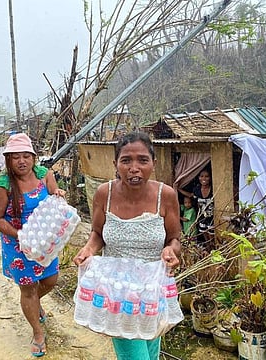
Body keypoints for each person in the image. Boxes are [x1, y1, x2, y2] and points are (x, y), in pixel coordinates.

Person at [73, 132, 181, 360]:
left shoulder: (166, 196)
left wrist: (170, 250)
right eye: (126, 160)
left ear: (153, 163)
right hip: (118, 294)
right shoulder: (105, 194)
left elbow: (174, 239)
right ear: (115, 164)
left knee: (151, 351)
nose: (134, 167)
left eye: (142, 160)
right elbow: (97, 233)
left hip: (152, 292)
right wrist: (88, 250)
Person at [0, 133, 66, 357]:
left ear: (34, 158)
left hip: (44, 242)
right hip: (18, 245)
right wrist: (20, 236)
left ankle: (32, 305)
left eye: (26, 156)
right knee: (29, 288)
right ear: (8, 160)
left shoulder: (44, 175)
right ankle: (37, 332)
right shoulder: (2, 185)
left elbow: (54, 196)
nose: (21, 161)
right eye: (15, 157)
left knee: (51, 280)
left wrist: (59, 193)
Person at [176, 168, 214, 247]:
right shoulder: (197, 190)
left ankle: (213, 249)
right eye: (201, 176)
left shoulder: (213, 189)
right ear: (198, 177)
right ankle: (209, 249)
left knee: (212, 236)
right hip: (202, 217)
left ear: (210, 178)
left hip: (212, 218)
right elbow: (190, 195)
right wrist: (178, 188)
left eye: (206, 176)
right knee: (205, 235)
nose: (204, 179)